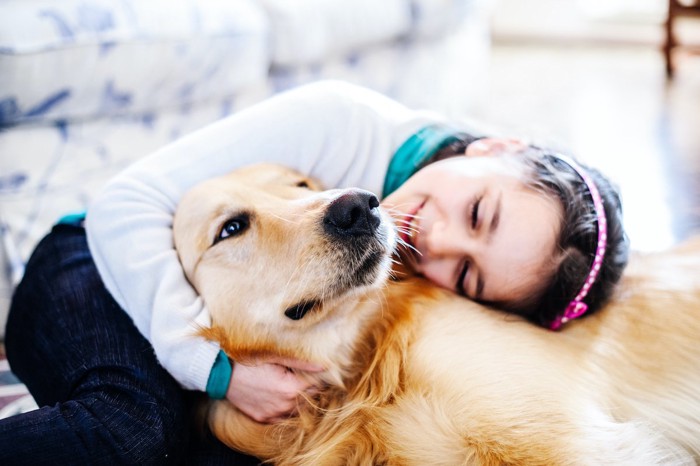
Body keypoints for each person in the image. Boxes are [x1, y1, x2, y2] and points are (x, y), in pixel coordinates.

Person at [0, 80, 628, 464]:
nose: (436, 239)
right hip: (90, 261)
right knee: (133, 430)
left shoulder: (417, 237)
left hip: (226, 298)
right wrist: (213, 371)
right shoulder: (341, 118)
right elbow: (122, 206)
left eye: (465, 275)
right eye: (477, 211)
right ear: (497, 145)